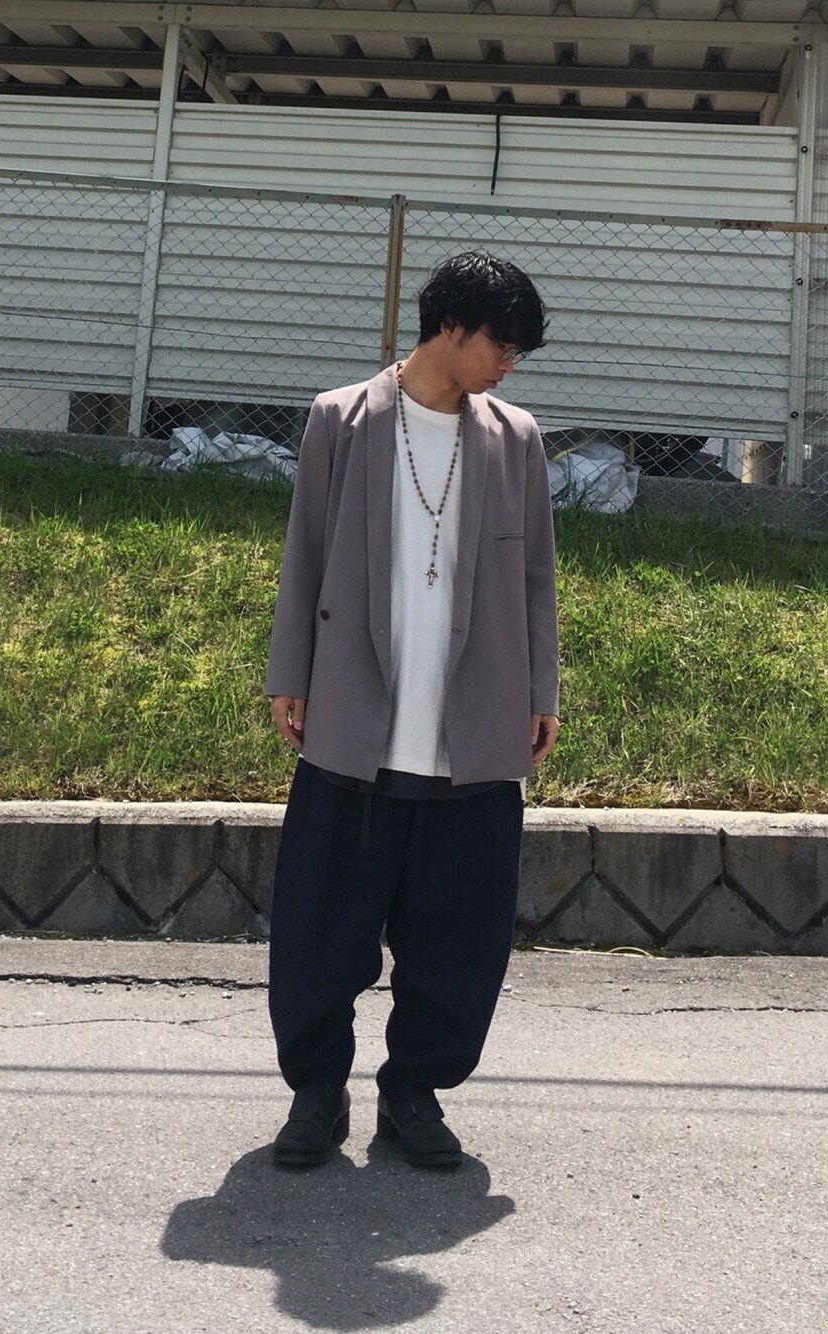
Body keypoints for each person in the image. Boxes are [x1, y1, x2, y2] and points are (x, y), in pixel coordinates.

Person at [265, 251, 560, 1169]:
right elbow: (306, 553)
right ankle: (317, 1094)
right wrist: (290, 670)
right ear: (450, 327)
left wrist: (541, 692)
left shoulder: (516, 438)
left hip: (474, 729)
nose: (507, 364)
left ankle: (414, 1094)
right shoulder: (341, 420)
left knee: (460, 937)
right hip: (357, 722)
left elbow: (536, 579)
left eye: (517, 352)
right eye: (500, 345)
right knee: (321, 928)